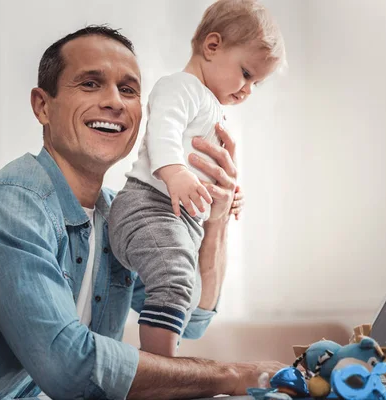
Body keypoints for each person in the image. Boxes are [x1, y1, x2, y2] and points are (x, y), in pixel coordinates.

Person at [0, 25, 286, 400]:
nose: (115, 102)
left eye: (128, 89)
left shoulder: (117, 215)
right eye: (90, 83)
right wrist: (231, 374)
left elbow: (194, 320)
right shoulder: (11, 207)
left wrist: (217, 217)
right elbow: (68, 366)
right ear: (43, 106)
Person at [108, 0, 286, 357]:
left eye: (257, 84)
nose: (248, 90)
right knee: (174, 280)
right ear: (212, 46)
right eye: (247, 74)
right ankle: (162, 369)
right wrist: (174, 171)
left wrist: (229, 196)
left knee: (181, 290)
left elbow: (207, 169)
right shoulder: (182, 87)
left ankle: (163, 363)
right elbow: (164, 129)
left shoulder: (211, 105)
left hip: (181, 219)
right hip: (149, 204)